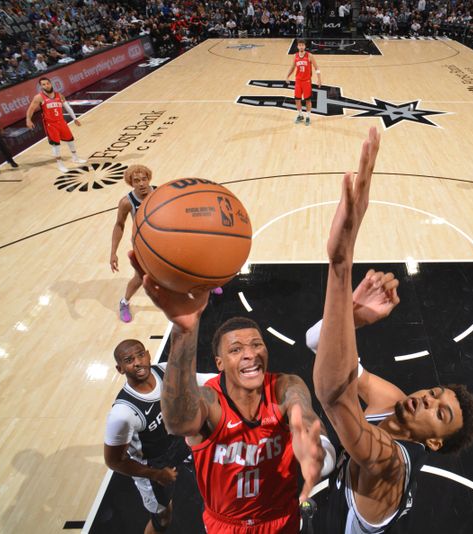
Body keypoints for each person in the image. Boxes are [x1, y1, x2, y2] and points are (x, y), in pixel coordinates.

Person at [311, 127, 473, 532]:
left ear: (434, 442)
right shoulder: (390, 399)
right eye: (435, 394)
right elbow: (319, 345)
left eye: (440, 413)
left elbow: (334, 395)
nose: (425, 399)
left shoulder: (391, 463)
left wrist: (341, 264)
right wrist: (351, 317)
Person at [125, 255, 335, 534]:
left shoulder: (285, 386)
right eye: (236, 349)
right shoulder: (208, 400)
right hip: (227, 525)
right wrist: (183, 330)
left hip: (281, 518)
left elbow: (302, 412)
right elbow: (178, 423)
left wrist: (316, 446)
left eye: (257, 344)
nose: (250, 353)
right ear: (219, 363)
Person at [104, 339, 214, 534]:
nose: (137, 362)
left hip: (179, 443)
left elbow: (204, 380)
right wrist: (156, 474)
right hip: (154, 465)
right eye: (129, 360)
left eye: (140, 354)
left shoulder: (165, 371)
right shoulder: (122, 413)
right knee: (163, 517)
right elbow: (114, 461)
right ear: (120, 369)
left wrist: (236, 378)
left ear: (147, 354)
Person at [110, 165, 156, 323]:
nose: (142, 183)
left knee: (187, 263)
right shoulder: (126, 202)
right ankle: (124, 302)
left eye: (144, 179)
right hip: (142, 244)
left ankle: (205, 288)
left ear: (149, 179)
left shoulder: (160, 192)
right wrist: (113, 252)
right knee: (140, 276)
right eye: (137, 181)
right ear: (131, 183)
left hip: (165, 240)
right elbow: (119, 225)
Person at [25, 76, 86, 173]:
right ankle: (60, 165)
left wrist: (74, 118)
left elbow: (68, 107)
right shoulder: (39, 97)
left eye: (47, 83)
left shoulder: (59, 95)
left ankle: (75, 158)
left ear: (51, 83)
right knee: (56, 145)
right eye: (43, 84)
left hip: (61, 122)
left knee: (70, 140)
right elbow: (31, 109)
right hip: (50, 125)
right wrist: (28, 119)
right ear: (41, 87)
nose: (46, 85)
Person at [285, 38, 321, 126]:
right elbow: (293, 67)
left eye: (302, 45)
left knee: (308, 100)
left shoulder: (310, 56)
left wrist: (319, 79)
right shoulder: (295, 56)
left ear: (305, 46)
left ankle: (308, 117)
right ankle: (300, 115)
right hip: (298, 81)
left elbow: (317, 68)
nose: (301, 47)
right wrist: (287, 76)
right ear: (297, 46)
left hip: (307, 81)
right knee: (297, 99)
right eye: (299, 45)